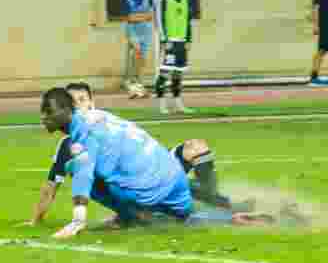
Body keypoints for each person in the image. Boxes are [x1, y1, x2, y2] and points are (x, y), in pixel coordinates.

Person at [38, 87, 268, 238]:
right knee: (187, 217)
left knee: (78, 168)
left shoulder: (82, 136)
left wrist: (78, 220)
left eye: (48, 111)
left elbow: (84, 175)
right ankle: (233, 215)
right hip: (172, 173)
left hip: (151, 185)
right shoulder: (100, 117)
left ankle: (133, 217)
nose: (43, 116)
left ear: (67, 111)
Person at [155, 0, 193, 114]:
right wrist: (164, 40)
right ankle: (162, 105)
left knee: (178, 73)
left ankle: (178, 103)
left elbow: (188, 19)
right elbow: (159, 19)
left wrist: (188, 39)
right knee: (165, 72)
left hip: (182, 41)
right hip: (170, 40)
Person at [123, 0, 152, 99]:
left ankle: (140, 87)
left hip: (146, 31)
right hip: (133, 31)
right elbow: (129, 18)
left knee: (142, 61)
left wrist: (137, 17)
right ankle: (132, 87)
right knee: (135, 59)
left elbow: (150, 15)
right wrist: (142, 16)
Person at [312, 0, 328, 85]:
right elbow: (316, 9)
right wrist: (316, 25)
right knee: (321, 51)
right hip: (325, 25)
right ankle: (314, 77)